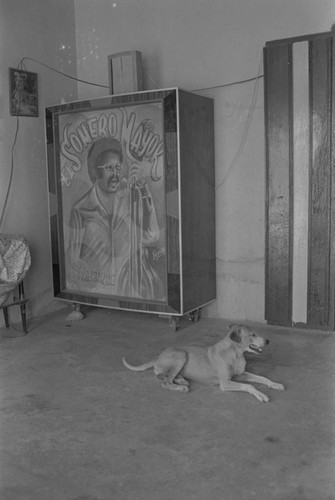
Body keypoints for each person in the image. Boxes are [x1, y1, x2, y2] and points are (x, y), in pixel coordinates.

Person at [68, 136, 163, 299]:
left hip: (128, 290)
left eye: (118, 168)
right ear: (95, 171)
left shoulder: (129, 201)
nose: (115, 174)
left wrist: (147, 202)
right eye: (109, 168)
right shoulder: (80, 209)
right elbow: (73, 259)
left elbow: (151, 235)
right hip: (98, 289)